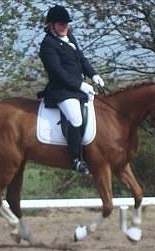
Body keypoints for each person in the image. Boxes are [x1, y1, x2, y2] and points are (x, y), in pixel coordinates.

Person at [39, 5, 105, 175]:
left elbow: (81, 58)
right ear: (51, 25)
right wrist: (80, 85)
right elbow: (57, 72)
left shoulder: (69, 37)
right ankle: (75, 159)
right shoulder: (48, 45)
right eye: (61, 24)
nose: (65, 27)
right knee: (76, 118)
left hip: (76, 88)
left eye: (67, 24)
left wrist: (94, 74)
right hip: (61, 90)